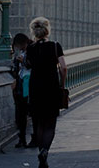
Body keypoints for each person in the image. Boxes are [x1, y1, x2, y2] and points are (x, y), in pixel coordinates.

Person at [25, 17, 66, 168]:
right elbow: (63, 67)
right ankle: (44, 151)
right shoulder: (55, 46)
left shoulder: (30, 48)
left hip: (35, 88)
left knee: (39, 123)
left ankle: (41, 149)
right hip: (51, 87)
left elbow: (28, 65)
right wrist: (62, 84)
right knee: (50, 124)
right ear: (48, 30)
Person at [11, 33, 36, 148]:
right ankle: (22, 139)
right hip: (20, 84)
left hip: (31, 84)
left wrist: (24, 61)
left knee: (32, 112)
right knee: (20, 113)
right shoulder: (19, 52)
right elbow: (15, 68)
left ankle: (34, 138)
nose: (20, 48)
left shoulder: (33, 50)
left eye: (21, 45)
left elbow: (35, 65)